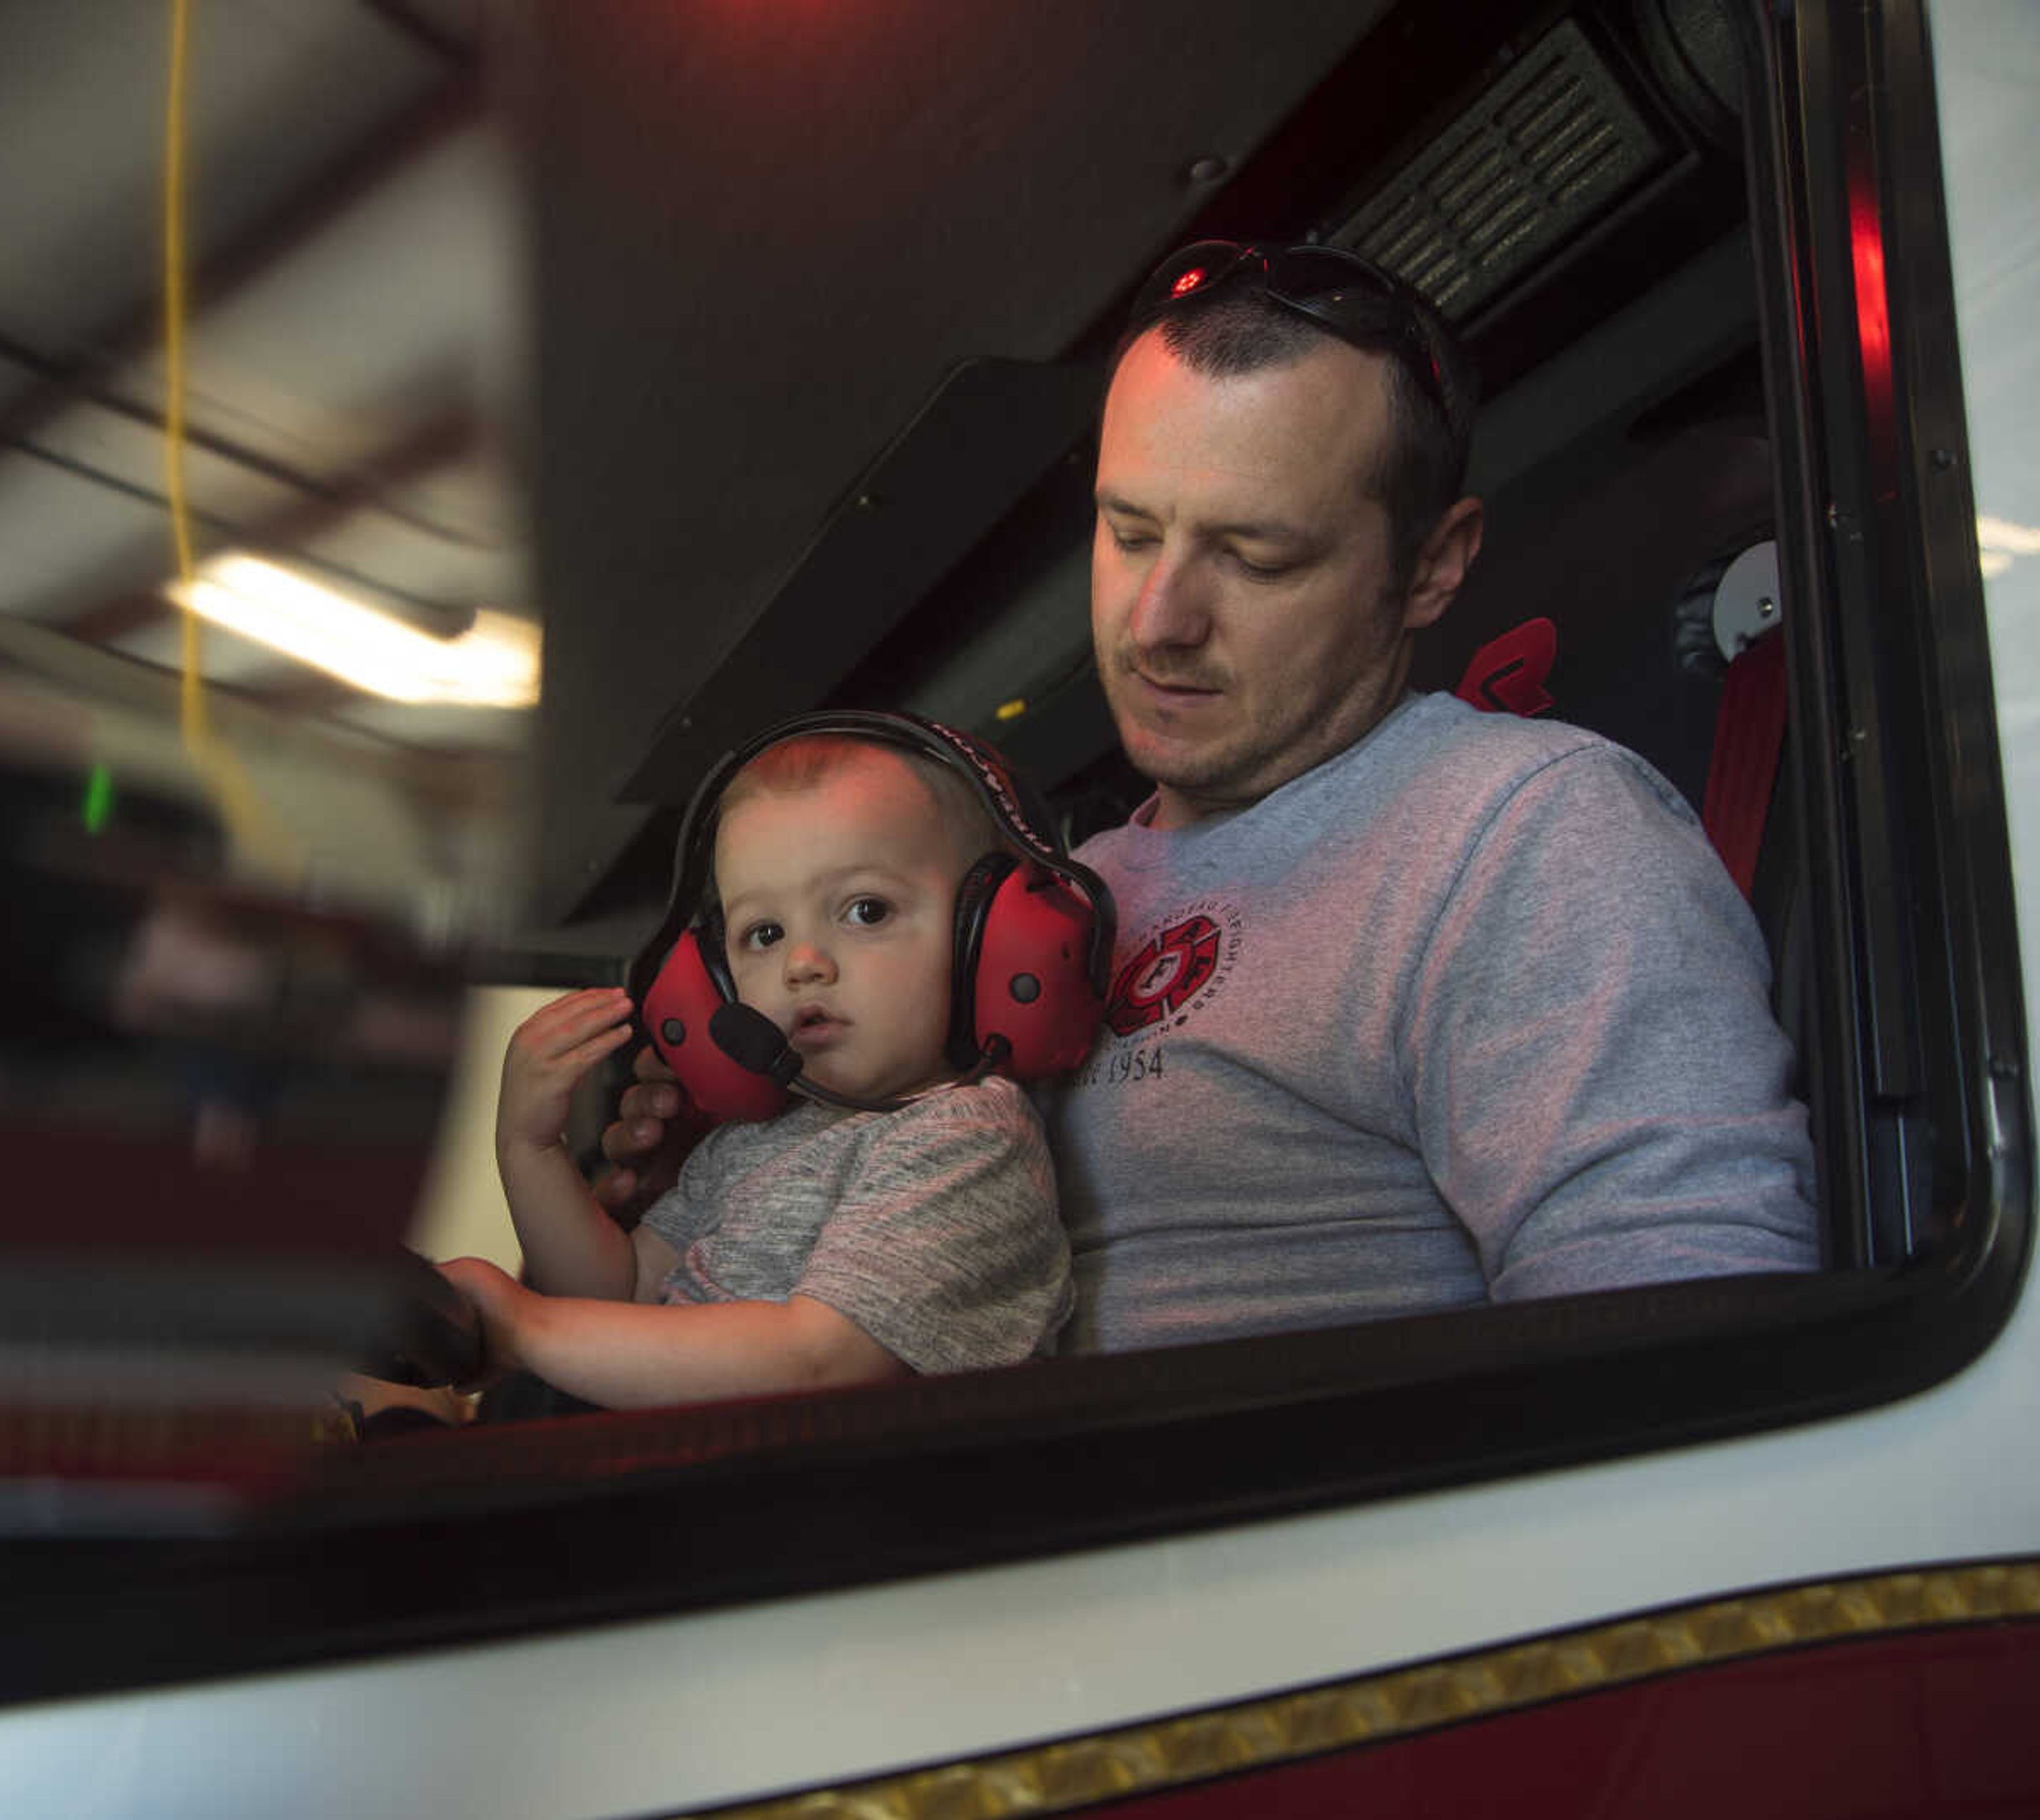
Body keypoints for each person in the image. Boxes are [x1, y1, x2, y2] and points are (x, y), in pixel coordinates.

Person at [602, 239, 1818, 1351]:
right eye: (1131, 533)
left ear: (1433, 568)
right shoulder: (1057, 882)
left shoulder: (1529, 832)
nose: (1159, 622)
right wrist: (738, 1207)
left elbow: (1684, 1340)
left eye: (1256, 555)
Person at [438, 731, 1075, 1408]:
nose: (802, 963)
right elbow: (618, 1294)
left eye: (866, 910)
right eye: (764, 934)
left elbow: (820, 1363)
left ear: (986, 934)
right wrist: (529, 1148)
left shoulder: (968, 1136)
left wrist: (529, 1328)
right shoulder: (749, 1143)